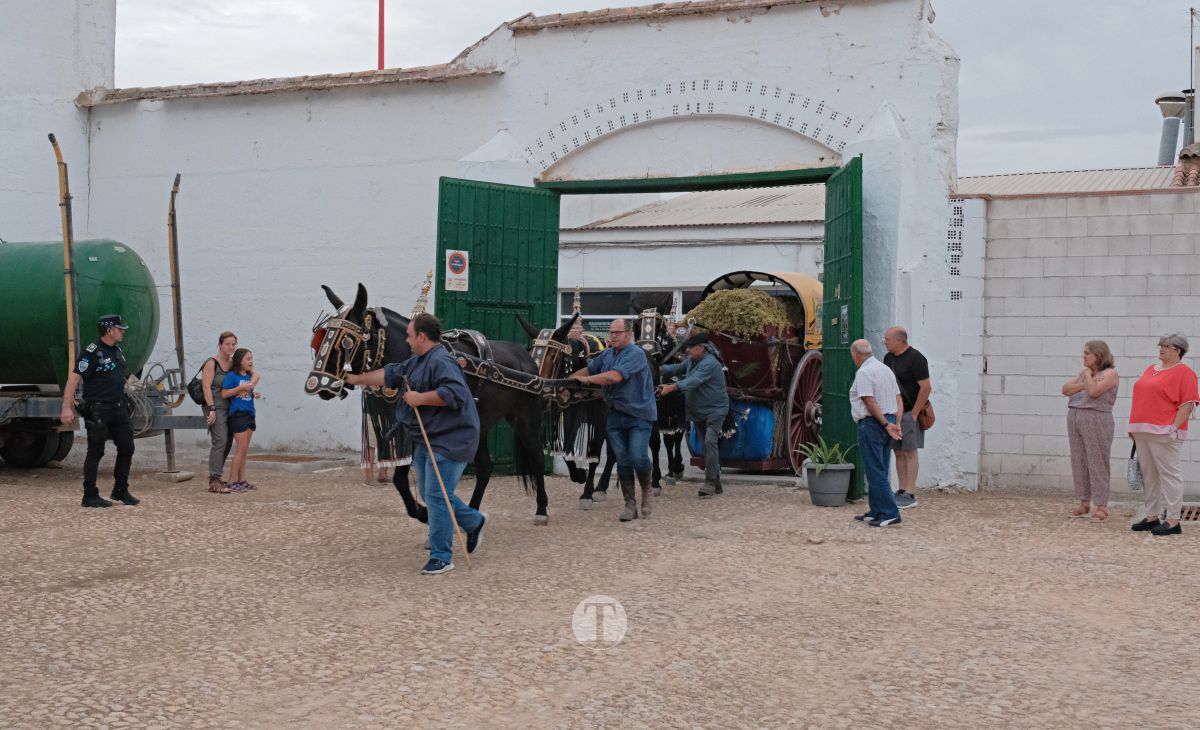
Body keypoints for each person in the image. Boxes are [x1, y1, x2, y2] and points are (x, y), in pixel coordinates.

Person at [344, 313, 487, 574]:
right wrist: (356, 380)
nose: (408, 341)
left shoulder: (442, 361)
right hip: (428, 438)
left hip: (451, 439)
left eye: (410, 336)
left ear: (422, 336)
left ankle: (442, 556)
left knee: (435, 496)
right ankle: (473, 520)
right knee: (434, 494)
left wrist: (419, 398)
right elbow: (391, 374)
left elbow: (453, 394)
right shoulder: (419, 360)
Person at [569, 318, 658, 521]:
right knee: (623, 461)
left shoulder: (636, 354)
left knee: (637, 456)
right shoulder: (608, 354)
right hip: (615, 415)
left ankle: (646, 491)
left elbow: (614, 377)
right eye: (611, 332)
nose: (613, 336)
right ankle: (630, 505)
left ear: (628, 334)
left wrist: (587, 381)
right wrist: (569, 381)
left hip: (639, 415)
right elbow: (590, 370)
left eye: (617, 332)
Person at [59, 314, 138, 508]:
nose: (123, 332)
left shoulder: (117, 350)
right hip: (99, 410)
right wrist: (66, 407)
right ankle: (90, 495)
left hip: (119, 408)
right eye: (120, 329)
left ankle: (120, 489)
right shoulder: (91, 352)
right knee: (96, 451)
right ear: (109, 330)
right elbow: (73, 379)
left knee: (127, 447)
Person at [1128, 333, 1198, 536]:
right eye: (1161, 345)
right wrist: (1134, 427)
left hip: (1164, 432)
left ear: (1178, 351)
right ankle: (1152, 516)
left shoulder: (1185, 373)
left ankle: (1174, 519)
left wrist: (1173, 428)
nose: (1161, 348)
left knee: (1169, 474)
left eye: (1166, 346)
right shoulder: (1151, 369)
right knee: (1149, 475)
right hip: (1142, 430)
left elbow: (1188, 403)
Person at [659, 332, 729, 498]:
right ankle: (716, 483)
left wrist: (670, 388)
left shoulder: (709, 364)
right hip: (698, 411)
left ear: (701, 348)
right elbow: (676, 368)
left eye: (691, 348)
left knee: (710, 442)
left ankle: (710, 483)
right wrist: (657, 368)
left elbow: (693, 381)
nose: (688, 350)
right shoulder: (692, 360)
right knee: (706, 446)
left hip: (715, 410)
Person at [1060, 340, 1119, 522]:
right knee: (1079, 460)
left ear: (1098, 355)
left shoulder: (1110, 374)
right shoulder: (1085, 374)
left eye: (1087, 353)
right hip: (1075, 418)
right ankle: (1084, 502)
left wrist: (1086, 377)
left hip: (1096, 418)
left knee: (1097, 461)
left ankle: (1101, 505)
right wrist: (1084, 381)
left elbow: (1094, 392)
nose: (1083, 356)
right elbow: (1065, 389)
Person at [849, 339, 904, 527]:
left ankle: (889, 512)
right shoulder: (885, 369)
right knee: (880, 467)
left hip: (874, 423)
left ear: (856, 355)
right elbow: (898, 398)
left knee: (875, 470)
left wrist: (884, 424)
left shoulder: (864, 372)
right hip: (888, 420)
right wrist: (895, 422)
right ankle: (877, 510)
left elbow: (868, 401)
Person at [882, 326, 930, 509]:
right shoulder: (888, 358)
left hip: (910, 412)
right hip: (894, 412)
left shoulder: (916, 358)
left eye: (887, 339)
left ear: (899, 340)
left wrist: (915, 414)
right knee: (898, 452)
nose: (884, 341)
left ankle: (910, 493)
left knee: (910, 452)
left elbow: (926, 387)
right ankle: (901, 490)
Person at [221, 348, 262, 493]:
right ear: (240, 361)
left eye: (251, 358)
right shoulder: (232, 376)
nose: (251, 362)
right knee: (240, 449)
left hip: (250, 413)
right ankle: (232, 481)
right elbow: (225, 393)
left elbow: (254, 382)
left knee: (245, 450)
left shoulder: (250, 376)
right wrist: (241, 388)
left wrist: (253, 392)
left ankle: (242, 480)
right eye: (248, 359)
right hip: (238, 414)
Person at [201, 331, 238, 494]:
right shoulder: (211, 363)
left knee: (228, 441)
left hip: (230, 407)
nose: (231, 347)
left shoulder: (232, 364)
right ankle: (214, 480)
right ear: (220, 345)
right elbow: (206, 387)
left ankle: (218, 476)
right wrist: (212, 409)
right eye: (228, 344)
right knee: (220, 440)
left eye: (233, 344)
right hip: (215, 406)